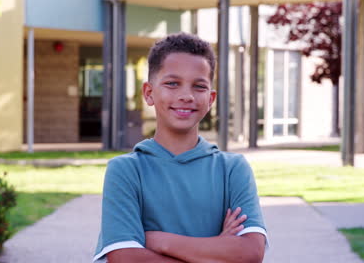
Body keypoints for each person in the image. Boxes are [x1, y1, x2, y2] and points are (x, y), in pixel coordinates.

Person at [93, 33, 267, 263]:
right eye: (172, 83)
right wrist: (218, 249)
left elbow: (250, 253)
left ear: (211, 99)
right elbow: (125, 257)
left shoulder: (232, 169)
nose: (186, 96)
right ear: (148, 93)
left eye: (199, 86)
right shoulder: (125, 170)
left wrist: (159, 241)